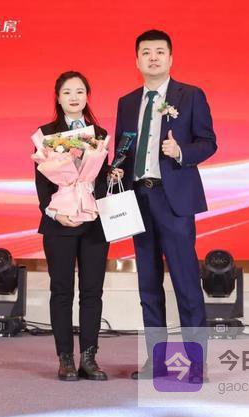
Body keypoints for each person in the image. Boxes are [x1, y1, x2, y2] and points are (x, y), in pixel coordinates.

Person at [112, 30, 217, 381]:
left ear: (171, 58)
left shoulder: (191, 95)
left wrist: (181, 151)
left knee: (186, 283)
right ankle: (156, 361)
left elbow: (209, 142)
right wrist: (116, 169)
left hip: (174, 202)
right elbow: (124, 148)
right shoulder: (127, 102)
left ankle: (195, 363)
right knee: (148, 284)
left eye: (160, 51)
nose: (153, 57)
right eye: (146, 52)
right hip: (139, 198)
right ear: (137, 60)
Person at [35, 71, 110, 381]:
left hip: (94, 222)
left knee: (92, 291)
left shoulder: (100, 134)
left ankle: (89, 357)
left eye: (80, 91)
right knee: (62, 290)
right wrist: (54, 213)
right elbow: (42, 183)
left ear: (87, 96)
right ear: (58, 97)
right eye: (67, 92)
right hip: (59, 223)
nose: (74, 97)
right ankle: (65, 358)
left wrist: (112, 177)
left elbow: (102, 180)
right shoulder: (46, 134)